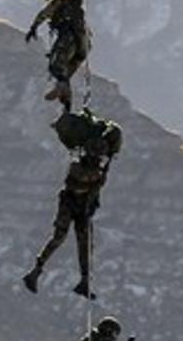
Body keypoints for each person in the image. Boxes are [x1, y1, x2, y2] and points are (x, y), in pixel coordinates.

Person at [22, 107, 121, 297]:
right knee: (59, 237)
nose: (98, 158)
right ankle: (36, 270)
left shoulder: (95, 167)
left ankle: (84, 281)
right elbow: (81, 181)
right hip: (70, 202)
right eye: (96, 155)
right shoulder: (79, 165)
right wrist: (99, 174)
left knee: (85, 244)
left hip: (84, 205)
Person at [24, 0, 91, 106]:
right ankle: (66, 101)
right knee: (65, 72)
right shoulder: (75, 8)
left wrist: (33, 28)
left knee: (56, 66)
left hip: (68, 38)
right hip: (83, 44)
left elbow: (43, 13)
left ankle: (64, 93)